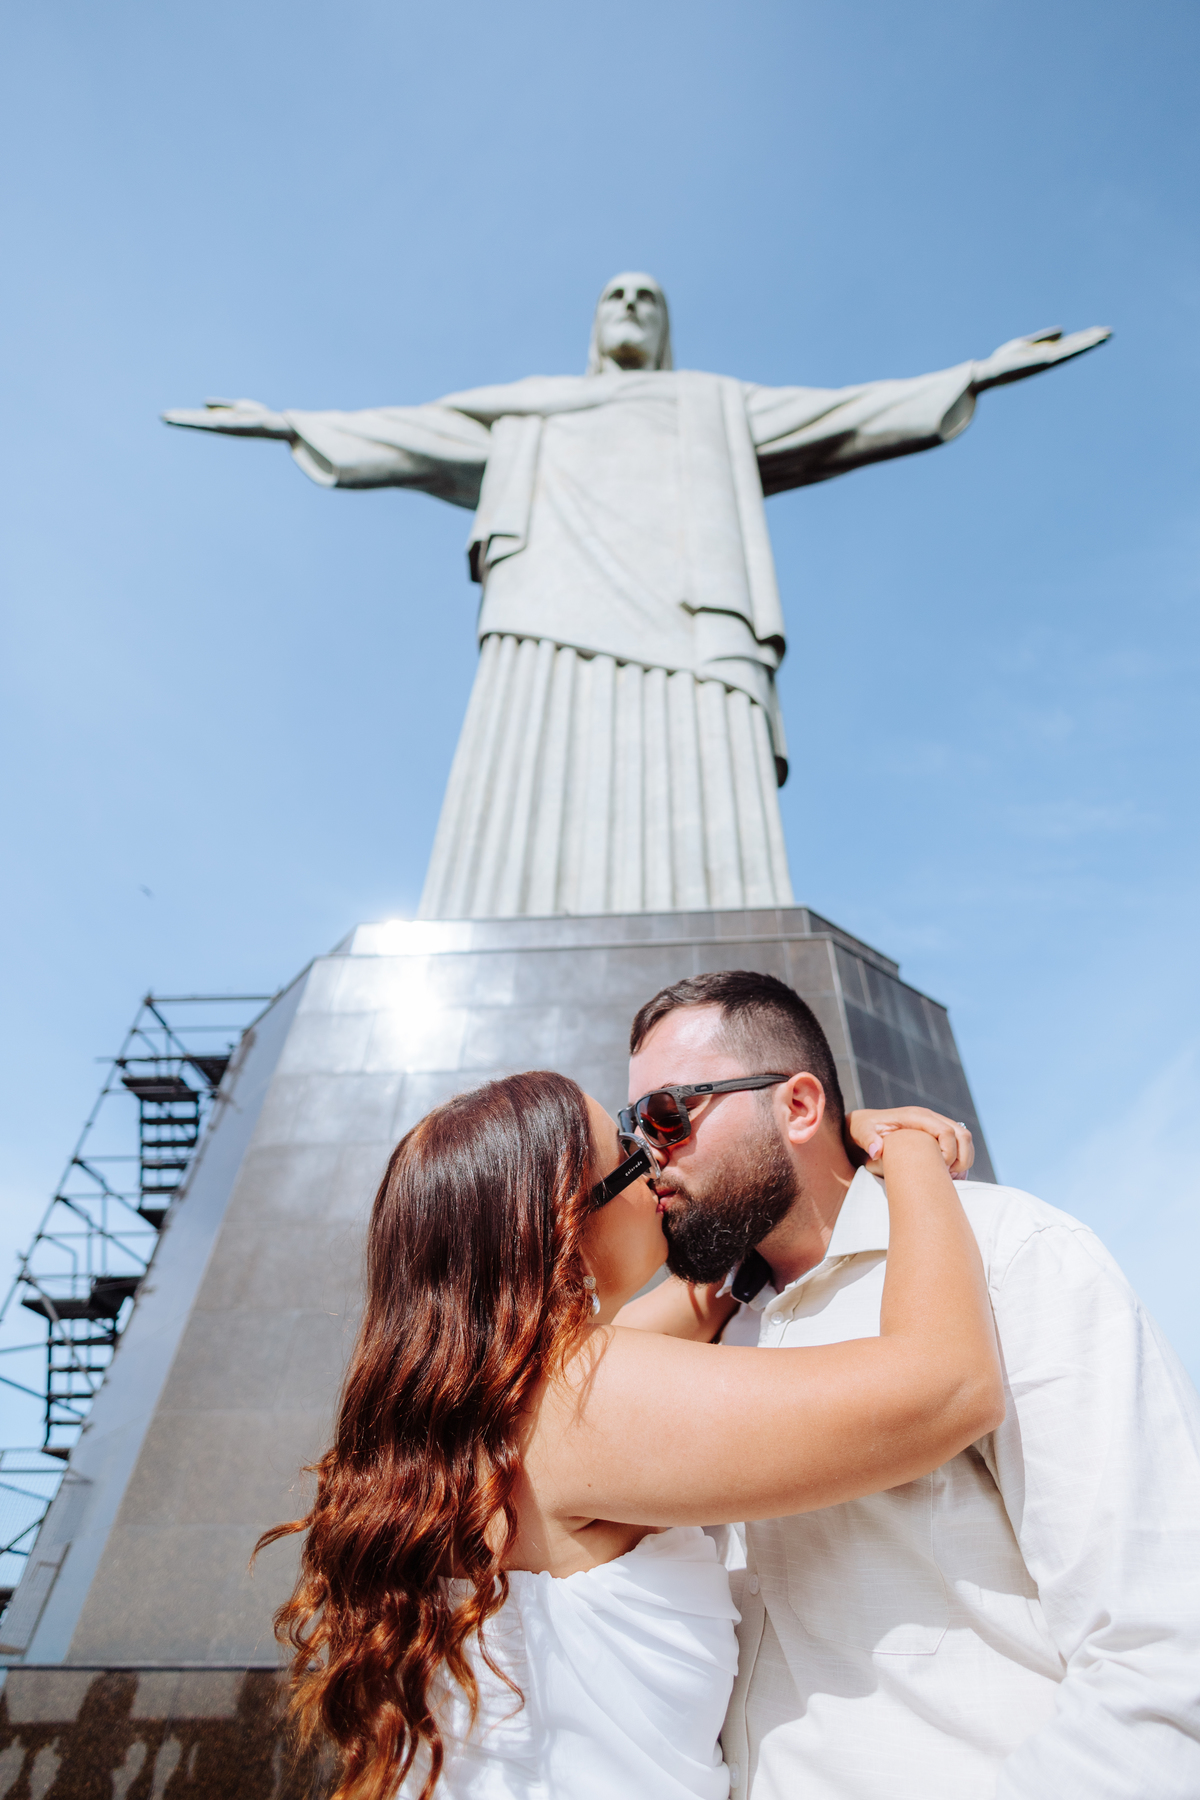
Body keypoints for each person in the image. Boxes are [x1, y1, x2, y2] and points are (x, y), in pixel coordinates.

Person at [258, 1069, 1002, 1800]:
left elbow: (705, 1297)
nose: (656, 1163)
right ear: (563, 1220)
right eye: (627, 1150)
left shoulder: (493, 1405)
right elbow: (949, 1386)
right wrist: (907, 1151)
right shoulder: (585, 1400)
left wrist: (811, 1146)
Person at [621, 969, 1200, 1800]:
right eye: (633, 1126)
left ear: (797, 1106)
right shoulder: (706, 1336)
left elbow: (1163, 1646)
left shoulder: (1014, 1256)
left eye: (669, 1114)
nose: (649, 1153)